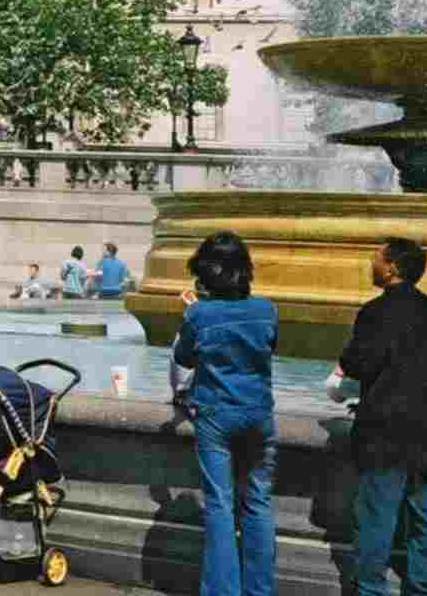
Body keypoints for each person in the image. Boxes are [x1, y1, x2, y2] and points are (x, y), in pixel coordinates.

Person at [331, 238, 427, 596]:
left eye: (375, 259)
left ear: (392, 268)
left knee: (376, 516)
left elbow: (357, 363)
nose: (371, 264)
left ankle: (370, 588)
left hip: (387, 431)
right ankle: (425, 587)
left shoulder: (375, 312)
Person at [172, 231, 278, 596]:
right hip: (259, 413)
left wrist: (190, 315)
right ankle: (259, 590)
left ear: (205, 274)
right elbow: (268, 348)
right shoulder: (267, 310)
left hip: (216, 414)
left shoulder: (199, 314)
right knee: (258, 502)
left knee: (220, 506)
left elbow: (184, 358)